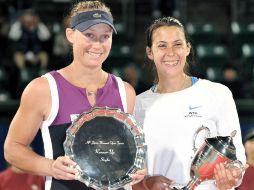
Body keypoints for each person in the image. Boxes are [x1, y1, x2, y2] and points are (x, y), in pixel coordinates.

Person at [4, 1, 145, 190]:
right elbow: (12, 149)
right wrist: (50, 167)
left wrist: (137, 169)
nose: (97, 44)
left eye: (105, 36)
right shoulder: (43, 89)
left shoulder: (125, 91)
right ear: (70, 34)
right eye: (89, 35)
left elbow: (124, 154)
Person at [133, 17, 246, 190]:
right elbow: (130, 176)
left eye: (177, 44)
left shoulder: (217, 93)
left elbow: (237, 159)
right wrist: (146, 184)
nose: (171, 52)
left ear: (188, 48)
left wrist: (233, 176)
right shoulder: (138, 105)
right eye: (162, 45)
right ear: (150, 52)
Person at [8, 9, 51, 81]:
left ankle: (42, 70)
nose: (29, 23)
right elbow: (12, 36)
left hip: (36, 54)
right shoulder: (19, 27)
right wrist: (20, 22)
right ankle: (23, 72)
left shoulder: (38, 27)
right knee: (17, 55)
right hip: (23, 54)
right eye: (27, 21)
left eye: (30, 21)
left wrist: (38, 23)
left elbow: (46, 36)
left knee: (44, 55)